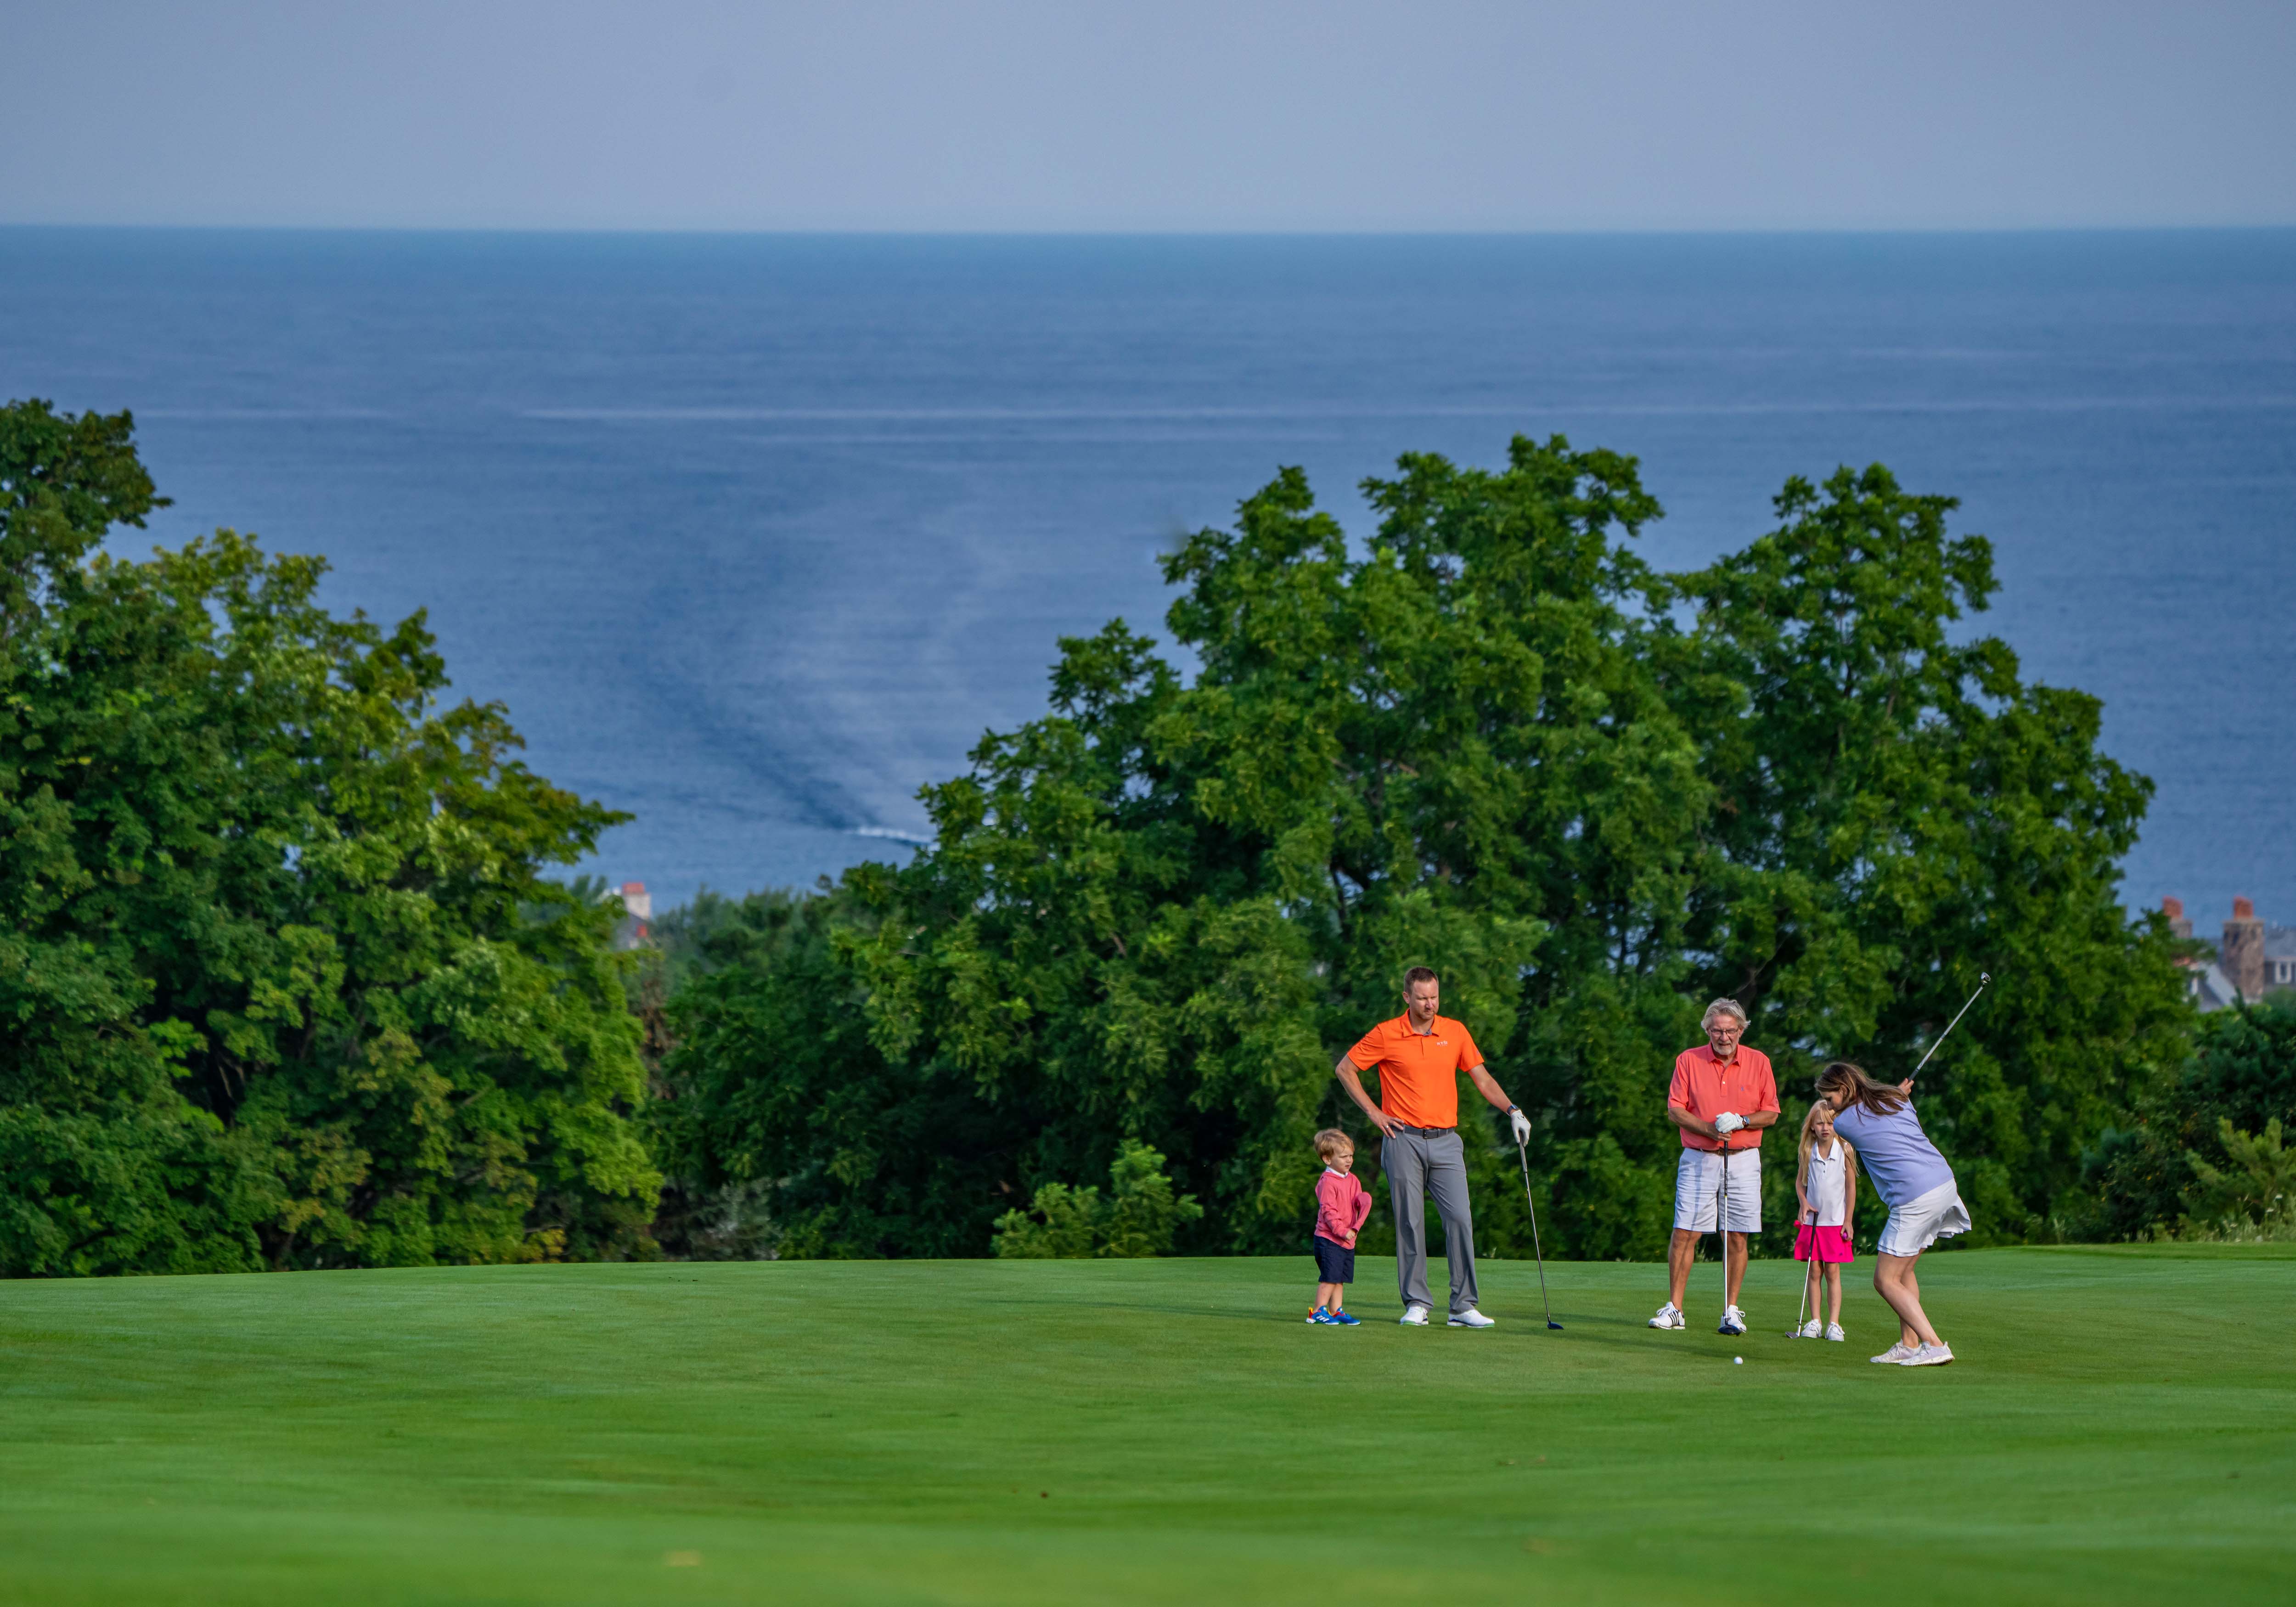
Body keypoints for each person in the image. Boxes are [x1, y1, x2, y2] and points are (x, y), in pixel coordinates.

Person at [1334, 966, 1532, 1328]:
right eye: (1423, 998)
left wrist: (1513, 1110)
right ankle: (1417, 1302)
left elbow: (1482, 1078)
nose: (1430, 1004)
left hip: (1446, 1142)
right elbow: (1346, 1069)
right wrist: (1374, 1113)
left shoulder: (1454, 1032)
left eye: (1435, 997)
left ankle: (1463, 1306)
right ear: (1407, 998)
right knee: (1410, 1223)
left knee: (1460, 1219)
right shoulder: (1386, 1034)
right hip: (1402, 1139)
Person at [1814, 1060, 1967, 1366]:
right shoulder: (1898, 1100)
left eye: (1831, 1100)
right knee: (1904, 1271)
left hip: (1915, 1197)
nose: (1829, 1110)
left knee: (1885, 1280)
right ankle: (1910, 1345)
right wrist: (1897, 1092)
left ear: (1844, 1090)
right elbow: (1883, 1106)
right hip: (1944, 1184)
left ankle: (1934, 1344)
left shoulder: (1845, 1123)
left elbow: (1861, 1116)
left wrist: (1897, 1091)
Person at [1650, 998, 1779, 1336]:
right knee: (1686, 1232)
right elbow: (1675, 1109)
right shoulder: (1688, 1061)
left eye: (1731, 1031)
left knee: (1736, 1235)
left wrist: (1742, 1120)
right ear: (1708, 1030)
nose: (1724, 1037)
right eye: (1718, 1031)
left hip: (1744, 1158)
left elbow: (1771, 1113)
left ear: (1741, 1030)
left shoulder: (1759, 1062)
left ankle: (1731, 1311)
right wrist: (1710, 1129)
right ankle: (1675, 1309)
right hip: (1699, 1157)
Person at [1792, 1100, 1858, 1341]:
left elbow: (1851, 1187)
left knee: (1832, 1272)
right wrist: (1803, 1202)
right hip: (1813, 1222)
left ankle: (1834, 1323)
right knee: (1814, 1272)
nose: (1825, 1128)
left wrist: (1848, 1220)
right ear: (1812, 1127)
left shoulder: (1845, 1150)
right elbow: (1800, 1183)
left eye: (1830, 1123)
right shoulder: (1808, 1151)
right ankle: (1815, 1321)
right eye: (1820, 1123)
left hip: (1835, 1222)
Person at [1307, 1129, 1371, 1326]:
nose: (1349, 1160)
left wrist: (1363, 1204)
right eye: (1343, 1157)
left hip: (1347, 1241)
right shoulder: (1327, 1182)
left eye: (1351, 1155)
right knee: (1329, 1278)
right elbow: (1329, 1212)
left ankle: (1336, 1311)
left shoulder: (1353, 1180)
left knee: (1340, 1278)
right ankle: (1317, 1312)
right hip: (1329, 1238)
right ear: (1327, 1159)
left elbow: (1357, 1204)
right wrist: (1342, 1231)